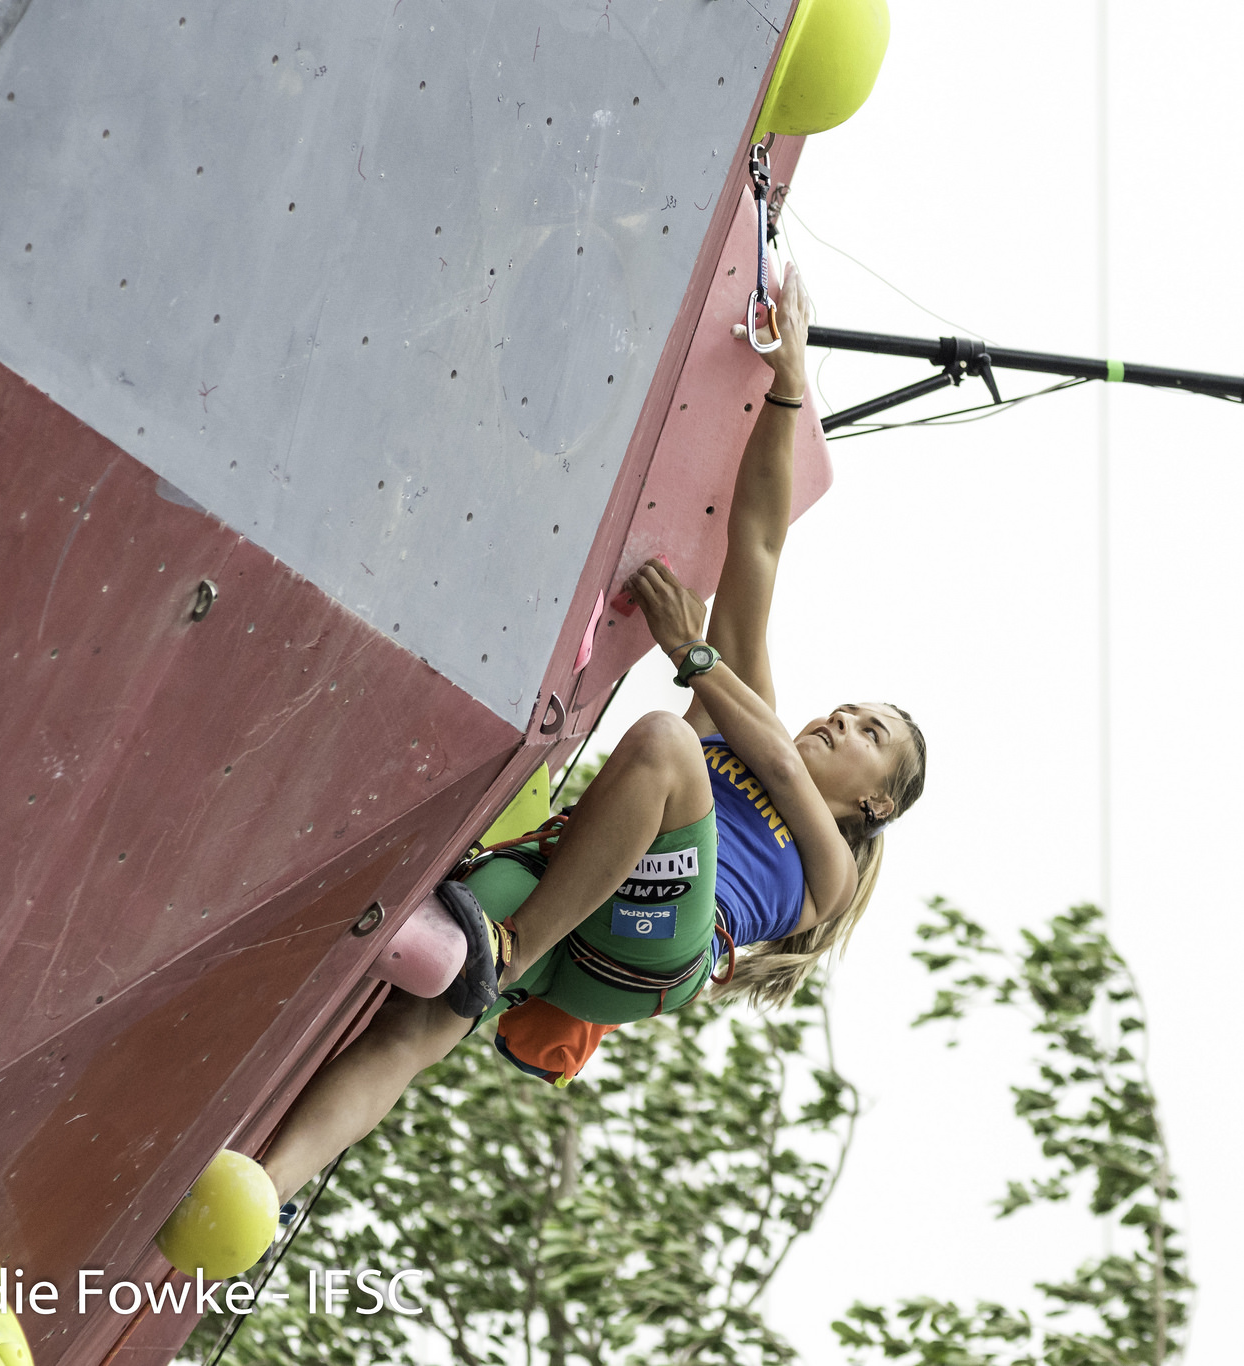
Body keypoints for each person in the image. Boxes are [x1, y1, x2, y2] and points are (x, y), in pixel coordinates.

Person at [259, 264, 928, 1209]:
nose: (838, 720)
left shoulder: (830, 868)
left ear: (875, 802)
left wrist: (698, 664)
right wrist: (787, 384)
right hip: (565, 901)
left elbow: (771, 755)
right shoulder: (746, 719)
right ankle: (266, 1184)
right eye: (850, 707)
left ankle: (513, 948)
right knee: (414, 1027)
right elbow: (759, 547)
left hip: (649, 957)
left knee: (665, 741)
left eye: (868, 733)